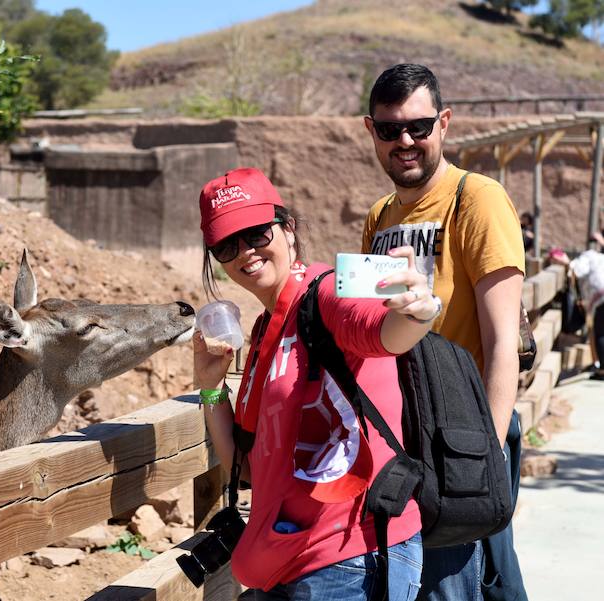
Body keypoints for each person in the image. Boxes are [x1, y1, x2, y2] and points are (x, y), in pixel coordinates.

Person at [194, 167, 441, 601]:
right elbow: (248, 468)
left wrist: (415, 312)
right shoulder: (265, 330)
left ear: (287, 228)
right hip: (289, 564)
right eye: (226, 245)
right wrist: (212, 387)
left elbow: (380, 331)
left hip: (350, 559)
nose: (244, 253)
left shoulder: (325, 293)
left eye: (256, 233)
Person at [360, 64, 527, 601]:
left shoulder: (475, 199)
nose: (405, 141)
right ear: (372, 131)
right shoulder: (379, 217)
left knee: (453, 586)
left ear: (445, 123)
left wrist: (488, 453)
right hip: (402, 442)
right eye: (390, 130)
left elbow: (503, 340)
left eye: (419, 126)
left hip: (464, 438)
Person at [550, 247, 604, 379]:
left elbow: (579, 270)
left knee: (601, 334)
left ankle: (602, 371)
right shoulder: (599, 257)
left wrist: (568, 264)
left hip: (601, 297)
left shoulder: (587, 256)